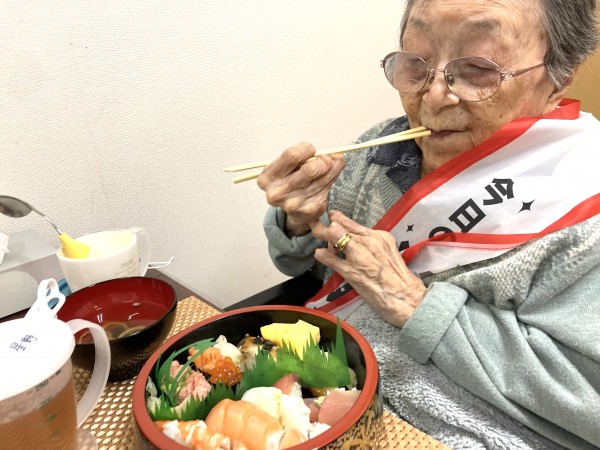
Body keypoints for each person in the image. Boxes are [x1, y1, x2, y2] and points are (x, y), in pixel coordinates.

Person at [257, 0, 600, 448]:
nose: (434, 98)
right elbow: (317, 274)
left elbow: (588, 401)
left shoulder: (585, 202)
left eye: (477, 68)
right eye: (416, 62)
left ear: (560, 78)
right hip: (321, 395)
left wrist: (415, 303)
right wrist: (300, 221)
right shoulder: (380, 148)